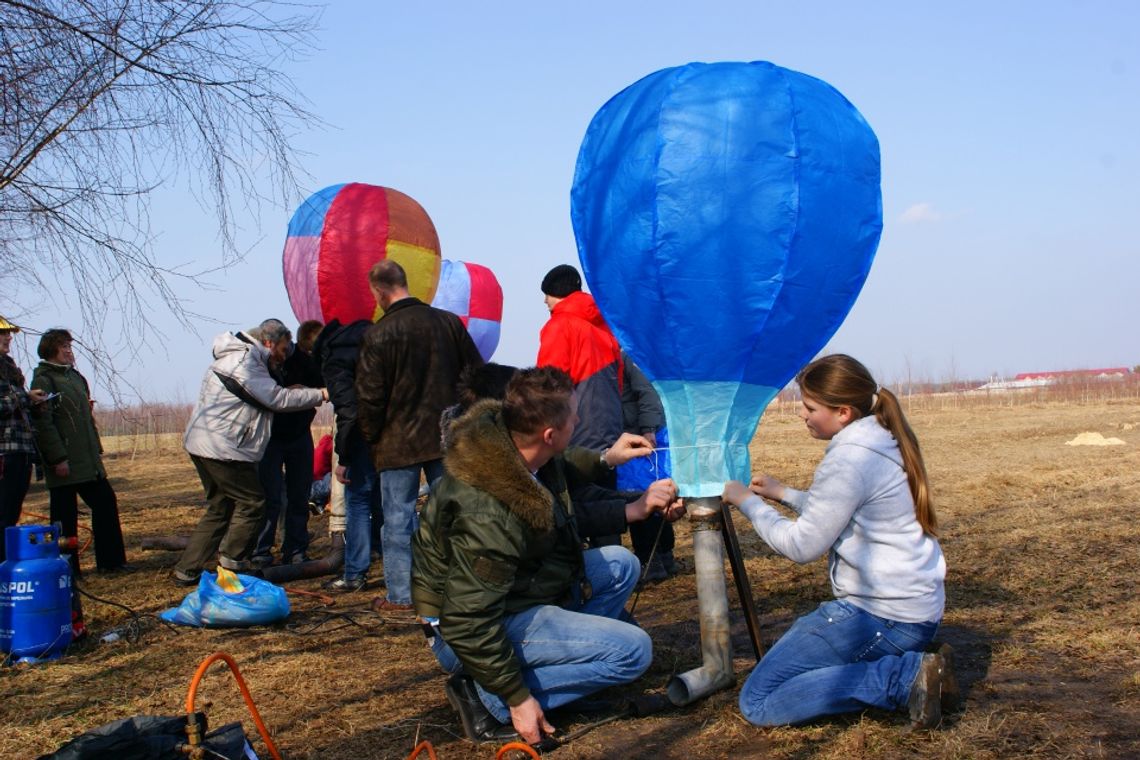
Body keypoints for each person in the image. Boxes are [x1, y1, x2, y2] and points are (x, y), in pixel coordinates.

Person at [413, 367, 681, 745]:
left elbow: (565, 470)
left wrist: (609, 464)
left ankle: (568, 671)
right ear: (549, 435)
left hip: (513, 593)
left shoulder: (514, 445)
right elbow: (467, 620)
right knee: (633, 652)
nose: (579, 419)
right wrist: (518, 699)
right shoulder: (488, 511)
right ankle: (486, 696)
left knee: (621, 566)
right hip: (465, 632)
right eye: (574, 416)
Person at [721, 354, 956, 730]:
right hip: (914, 613)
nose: (802, 414)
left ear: (843, 412)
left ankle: (904, 678)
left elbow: (802, 546)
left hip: (882, 618)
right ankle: (908, 661)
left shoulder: (851, 459)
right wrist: (784, 494)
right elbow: (845, 511)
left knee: (759, 701)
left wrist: (745, 502)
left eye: (810, 407)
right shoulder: (881, 437)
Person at [356, 260, 483, 612]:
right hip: (448, 437)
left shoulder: (377, 335)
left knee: (397, 522)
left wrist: (371, 438)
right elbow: (474, 375)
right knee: (455, 517)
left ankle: (401, 596)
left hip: (398, 444)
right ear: (404, 282)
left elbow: (369, 397)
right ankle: (460, 588)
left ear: (380, 292)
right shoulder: (447, 323)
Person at [174, 326, 327, 585]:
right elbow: (275, 399)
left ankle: (187, 570)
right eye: (281, 349)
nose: (283, 355)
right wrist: (321, 394)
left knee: (220, 507)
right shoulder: (245, 362)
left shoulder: (236, 357)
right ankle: (233, 565)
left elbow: (267, 392)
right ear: (268, 342)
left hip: (204, 444)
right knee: (254, 503)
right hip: (223, 449)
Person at [30, 329, 130, 575]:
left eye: (69, 346)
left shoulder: (75, 377)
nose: (68, 350)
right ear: (50, 349)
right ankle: (67, 569)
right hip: (64, 461)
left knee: (105, 502)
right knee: (64, 516)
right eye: (63, 346)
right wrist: (57, 458)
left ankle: (111, 562)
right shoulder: (44, 379)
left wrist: (95, 449)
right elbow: (45, 423)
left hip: (87, 461)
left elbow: (83, 418)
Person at [313, 316, 382, 592]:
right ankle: (399, 573)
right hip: (393, 438)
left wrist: (343, 457)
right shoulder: (378, 347)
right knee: (387, 505)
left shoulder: (337, 359)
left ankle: (354, 573)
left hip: (362, 439)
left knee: (358, 502)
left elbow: (348, 411)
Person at [251, 319, 324, 567]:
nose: (280, 356)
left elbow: (321, 386)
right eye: (276, 351)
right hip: (269, 438)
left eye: (283, 349)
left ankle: (296, 550)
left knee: (299, 496)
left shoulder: (303, 360)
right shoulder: (257, 361)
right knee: (269, 497)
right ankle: (261, 552)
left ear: (286, 341)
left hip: (299, 435)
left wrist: (304, 390)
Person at [536, 264, 623, 455]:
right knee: (605, 477)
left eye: (547, 294)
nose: (545, 300)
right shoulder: (605, 327)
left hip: (575, 426)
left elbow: (550, 381)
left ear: (557, 293)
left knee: (577, 481)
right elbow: (620, 378)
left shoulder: (559, 325)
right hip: (611, 423)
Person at [620, 352, 677, 580]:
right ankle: (664, 557)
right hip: (640, 432)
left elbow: (647, 391)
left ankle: (651, 560)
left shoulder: (628, 352)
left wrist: (648, 427)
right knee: (651, 493)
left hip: (639, 435)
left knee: (640, 496)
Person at [0, 317, 49, 562]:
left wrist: (34, 403)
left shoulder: (8, 366)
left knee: (10, 514)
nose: (9, 338)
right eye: (3, 334)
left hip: (21, 449)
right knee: (3, 514)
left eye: (9, 333)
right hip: (4, 453)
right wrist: (24, 397)